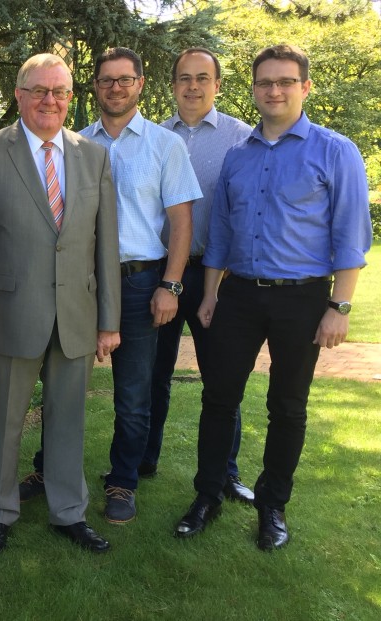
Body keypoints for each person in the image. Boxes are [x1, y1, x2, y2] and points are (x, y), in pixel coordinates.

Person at [173, 44, 371, 550]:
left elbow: (351, 234)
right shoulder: (239, 155)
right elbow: (219, 231)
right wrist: (212, 293)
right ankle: (208, 494)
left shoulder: (335, 150)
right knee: (218, 398)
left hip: (302, 300)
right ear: (254, 89)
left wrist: (338, 307)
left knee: (288, 406)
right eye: (265, 83)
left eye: (285, 82)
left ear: (304, 87)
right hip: (237, 294)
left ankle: (273, 505)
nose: (274, 91)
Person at [0, 53, 120, 555]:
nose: (49, 100)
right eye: (38, 90)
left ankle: (67, 512)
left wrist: (108, 321)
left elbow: (105, 244)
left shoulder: (93, 155)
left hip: (76, 313)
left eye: (59, 91)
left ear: (72, 97)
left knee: (69, 419)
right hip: (11, 313)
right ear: (19, 94)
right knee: (3, 422)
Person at [78, 47, 200, 524]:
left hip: (139, 280)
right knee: (65, 383)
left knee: (133, 393)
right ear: (95, 86)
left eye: (125, 79)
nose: (115, 87)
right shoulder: (75, 144)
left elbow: (182, 222)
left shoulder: (165, 145)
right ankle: (51, 469)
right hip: (80, 284)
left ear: (141, 84)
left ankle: (122, 481)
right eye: (106, 80)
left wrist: (170, 285)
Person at [144, 48, 254, 503]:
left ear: (218, 85)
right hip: (162, 274)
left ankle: (225, 472)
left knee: (222, 380)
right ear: (172, 85)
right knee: (153, 376)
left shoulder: (243, 139)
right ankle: (141, 460)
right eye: (184, 78)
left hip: (217, 279)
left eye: (202, 78)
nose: (193, 86)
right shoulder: (150, 136)